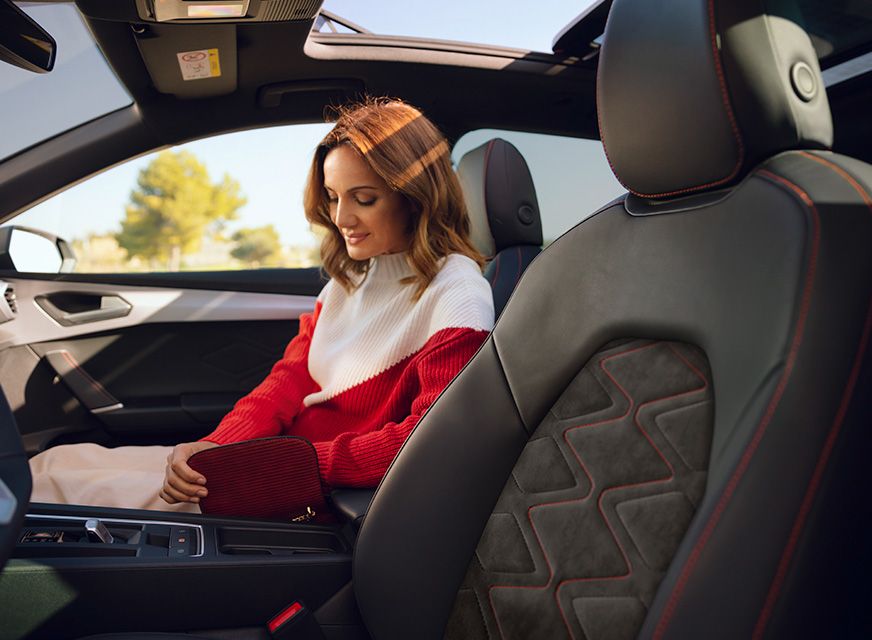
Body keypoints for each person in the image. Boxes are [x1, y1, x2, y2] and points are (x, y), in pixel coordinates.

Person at [28, 98, 495, 513]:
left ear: (416, 198)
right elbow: (287, 383)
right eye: (332, 198)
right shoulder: (351, 280)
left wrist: (281, 466)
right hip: (274, 459)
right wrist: (216, 445)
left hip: (300, 484)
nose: (340, 218)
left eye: (364, 199)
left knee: (53, 496)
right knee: (54, 463)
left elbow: (430, 438)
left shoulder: (456, 294)